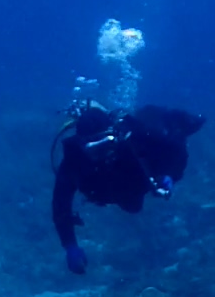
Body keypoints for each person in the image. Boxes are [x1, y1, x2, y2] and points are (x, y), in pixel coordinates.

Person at [51, 100, 205, 274]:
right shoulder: (74, 162)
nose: (101, 154)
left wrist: (169, 175)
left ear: (113, 134)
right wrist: (70, 246)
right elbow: (60, 206)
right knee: (132, 206)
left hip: (133, 179)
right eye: (93, 148)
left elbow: (175, 150)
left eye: (104, 144)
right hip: (112, 190)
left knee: (133, 205)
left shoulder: (134, 137)